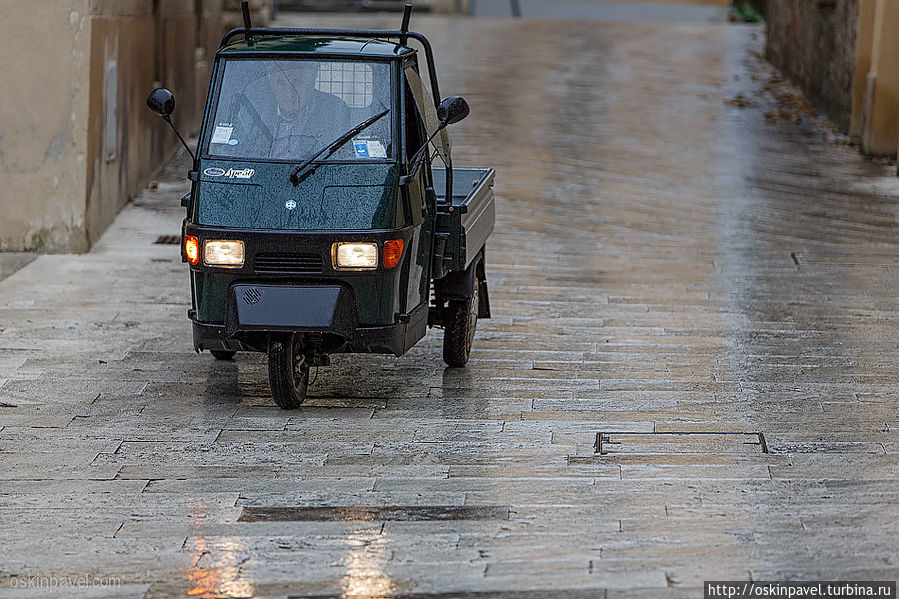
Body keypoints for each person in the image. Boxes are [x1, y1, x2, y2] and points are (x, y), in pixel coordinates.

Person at [265, 62, 351, 160]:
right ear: (272, 85)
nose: (289, 93)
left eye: (297, 82)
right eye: (280, 83)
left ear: (311, 82)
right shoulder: (255, 109)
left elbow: (341, 157)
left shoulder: (334, 110)